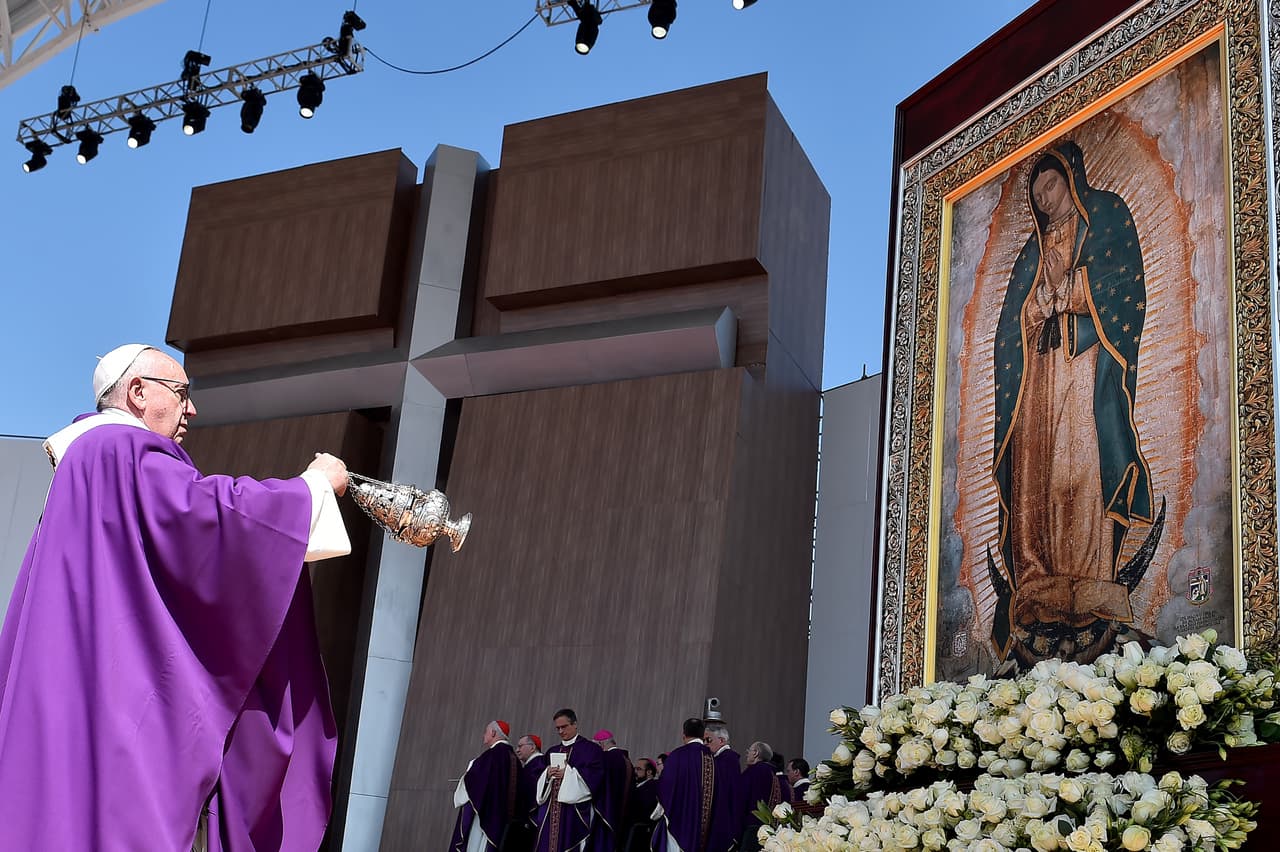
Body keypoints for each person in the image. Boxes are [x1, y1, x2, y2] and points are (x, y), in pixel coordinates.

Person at [0, 344, 352, 850]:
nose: (192, 410)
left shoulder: (83, 466)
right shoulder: (118, 448)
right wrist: (312, 488)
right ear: (138, 392)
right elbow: (206, 519)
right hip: (117, 712)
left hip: (76, 694)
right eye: (182, 393)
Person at [991, 140, 1153, 666]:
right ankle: (1039, 582)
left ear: (1071, 179)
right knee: (1038, 477)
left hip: (1084, 365)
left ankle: (1091, 579)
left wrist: (1073, 296)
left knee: (1081, 468)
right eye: (1035, 194)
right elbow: (1012, 325)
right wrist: (1037, 310)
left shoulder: (1105, 218)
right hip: (1039, 379)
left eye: (1050, 186)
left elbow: (1123, 283)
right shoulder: (1030, 255)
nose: (1043, 199)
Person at [535, 708, 605, 852]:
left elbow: (596, 777)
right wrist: (547, 774)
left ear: (575, 724)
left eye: (564, 727)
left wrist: (567, 774)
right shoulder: (552, 751)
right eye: (557, 728)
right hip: (550, 810)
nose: (560, 731)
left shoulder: (591, 750)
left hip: (574, 812)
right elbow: (539, 776)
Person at [451, 720, 521, 852]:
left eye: (486, 732)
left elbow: (472, 781)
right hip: (502, 817)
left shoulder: (491, 755)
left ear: (493, 733)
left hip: (485, 814)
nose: (484, 735)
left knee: (476, 845)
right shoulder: (514, 759)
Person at [652, 718, 716, 852]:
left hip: (678, 819)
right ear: (703, 735)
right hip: (705, 825)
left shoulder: (676, 756)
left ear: (683, 735)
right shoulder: (713, 759)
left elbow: (665, 785)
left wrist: (658, 812)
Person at [591, 729, 634, 852]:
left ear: (601, 744)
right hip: (622, 812)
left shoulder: (605, 758)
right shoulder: (626, 760)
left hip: (605, 811)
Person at [703, 722, 741, 852]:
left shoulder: (727, 759)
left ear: (721, 740)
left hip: (721, 817)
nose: (705, 744)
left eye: (708, 740)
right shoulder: (720, 759)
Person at [738, 742, 782, 852]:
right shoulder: (772, 773)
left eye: (749, 750)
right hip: (768, 829)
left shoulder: (753, 772)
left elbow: (741, 799)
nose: (747, 754)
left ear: (756, 753)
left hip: (751, 828)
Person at [626, 758, 660, 846]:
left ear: (649, 772)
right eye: (634, 768)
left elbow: (642, 809)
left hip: (638, 832)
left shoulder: (652, 787)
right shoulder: (636, 785)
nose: (635, 771)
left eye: (638, 769)